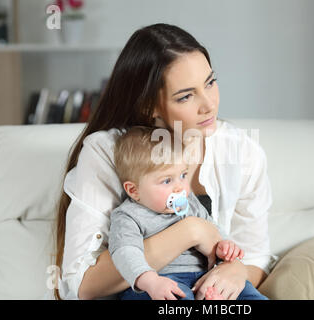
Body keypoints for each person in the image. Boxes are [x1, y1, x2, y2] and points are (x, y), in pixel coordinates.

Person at [54, 23, 277, 300]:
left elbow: (257, 257)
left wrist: (236, 271)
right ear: (149, 106)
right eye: (186, 95)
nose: (208, 104)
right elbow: (82, 285)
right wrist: (191, 230)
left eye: (210, 82)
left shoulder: (242, 151)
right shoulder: (106, 152)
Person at [108, 126, 268, 300]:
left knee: (248, 294)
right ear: (134, 190)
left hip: (204, 277)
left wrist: (224, 247)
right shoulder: (128, 216)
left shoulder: (190, 203)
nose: (180, 187)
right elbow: (125, 252)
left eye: (183, 175)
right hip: (160, 280)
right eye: (167, 180)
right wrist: (150, 281)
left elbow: (212, 229)